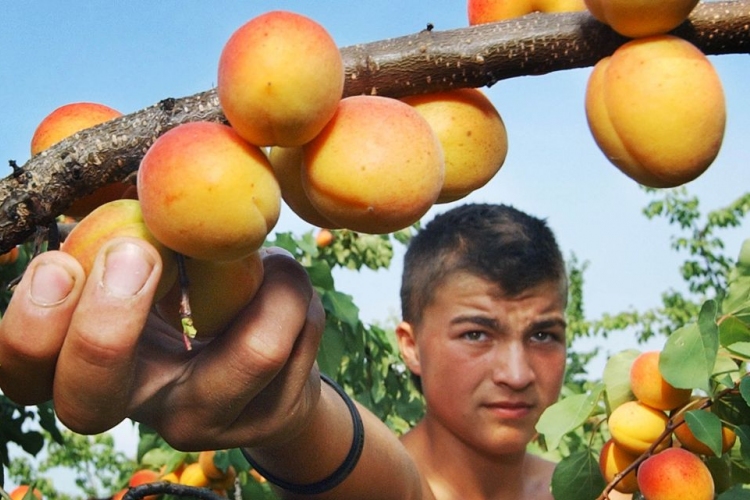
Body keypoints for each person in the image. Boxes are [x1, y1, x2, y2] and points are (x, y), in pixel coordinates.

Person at [0, 203, 570, 500]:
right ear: (410, 346)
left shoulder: (610, 480)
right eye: (476, 333)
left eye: (544, 333)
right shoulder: (393, 483)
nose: (517, 374)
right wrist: (286, 413)